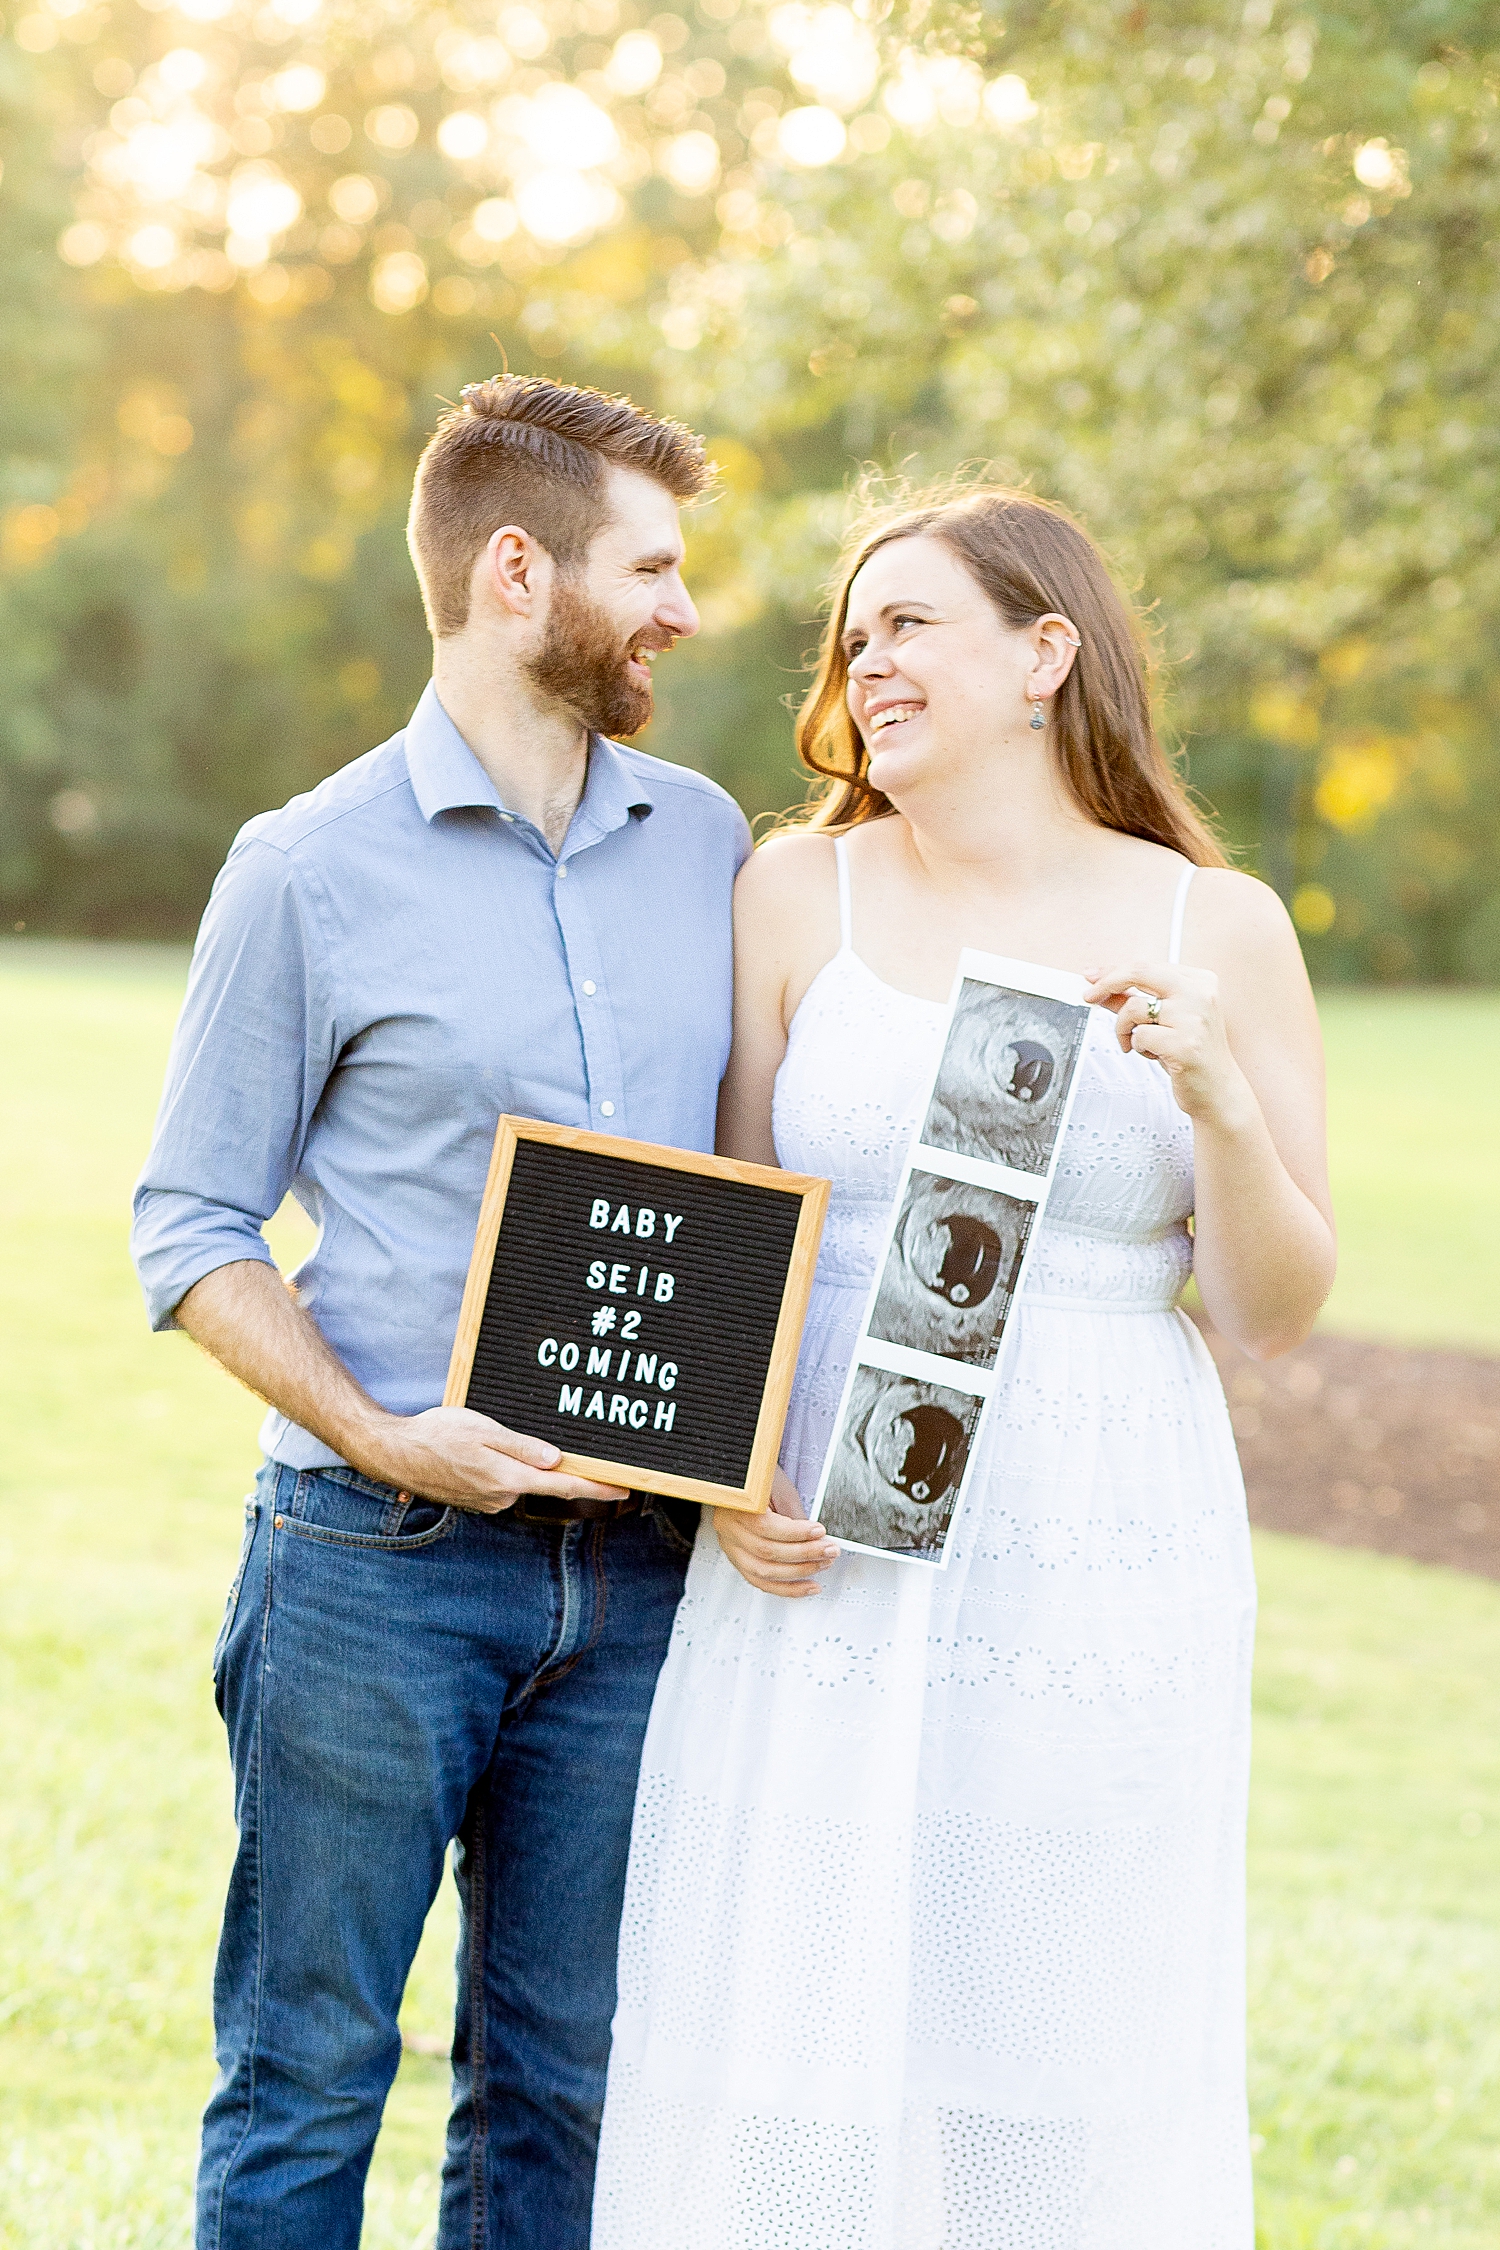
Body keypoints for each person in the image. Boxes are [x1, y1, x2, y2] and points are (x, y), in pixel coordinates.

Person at [591, 485, 1335, 2248]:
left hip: (1096, 1535)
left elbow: (1278, 1307)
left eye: (911, 621)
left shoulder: (1216, 929)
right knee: (794, 2004)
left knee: (1053, 2016)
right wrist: (725, 1475)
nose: (869, 657)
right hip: (827, 1549)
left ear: (1044, 653)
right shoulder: (793, 892)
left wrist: (1220, 1103)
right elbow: (728, 1227)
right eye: (857, 634)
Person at [129, 375, 750, 2250]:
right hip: (372, 1565)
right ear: (513, 570)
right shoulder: (308, 867)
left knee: (567, 2091)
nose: (684, 609)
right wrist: (390, 1433)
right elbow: (189, 1224)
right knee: (310, 2075)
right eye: (651, 566)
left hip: (644, 1580)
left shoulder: (715, 841)